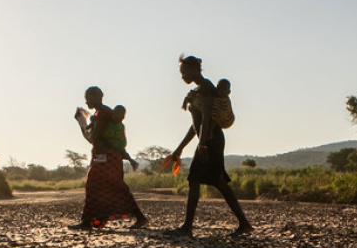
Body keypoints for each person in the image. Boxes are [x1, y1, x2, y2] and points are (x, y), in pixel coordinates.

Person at [167, 56, 252, 237]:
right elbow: (195, 124)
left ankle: (187, 227)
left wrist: (203, 144)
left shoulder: (206, 89)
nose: (182, 76)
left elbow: (206, 118)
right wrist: (181, 147)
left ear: (195, 70)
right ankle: (244, 223)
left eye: (184, 72)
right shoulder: (199, 90)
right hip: (207, 140)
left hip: (210, 141)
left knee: (196, 180)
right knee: (218, 182)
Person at [71, 87, 147, 230]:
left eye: (88, 97)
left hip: (105, 158)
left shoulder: (103, 114)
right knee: (113, 187)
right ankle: (139, 217)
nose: (86, 101)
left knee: (96, 186)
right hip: (109, 157)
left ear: (97, 97)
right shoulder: (103, 113)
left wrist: (82, 123)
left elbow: (94, 138)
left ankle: (87, 221)